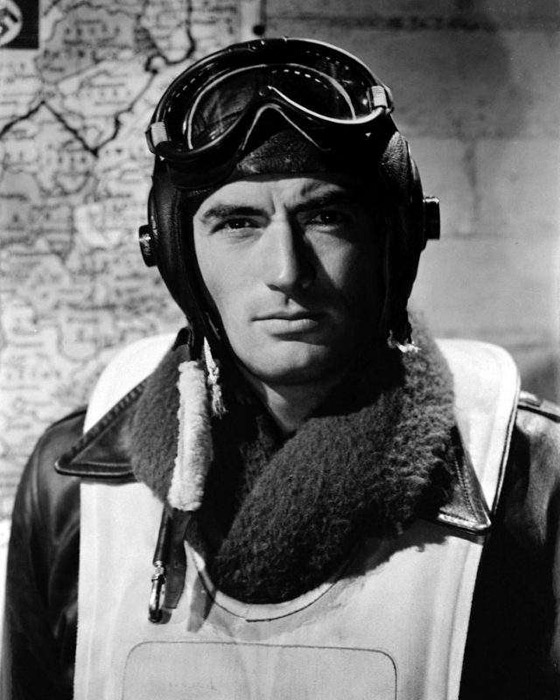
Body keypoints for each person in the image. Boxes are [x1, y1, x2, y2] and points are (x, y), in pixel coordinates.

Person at [2, 37, 560, 700]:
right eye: (238, 222)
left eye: (326, 216)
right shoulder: (67, 487)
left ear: (395, 239)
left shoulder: (535, 485)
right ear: (175, 252)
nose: (287, 272)